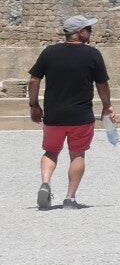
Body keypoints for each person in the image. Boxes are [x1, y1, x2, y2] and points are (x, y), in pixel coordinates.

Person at [27, 15, 114, 209]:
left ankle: (45, 183)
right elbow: (102, 85)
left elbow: (33, 80)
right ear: (80, 32)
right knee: (77, 155)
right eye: (89, 29)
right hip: (81, 116)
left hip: (54, 116)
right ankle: (70, 198)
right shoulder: (92, 54)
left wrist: (34, 105)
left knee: (51, 152)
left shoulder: (49, 52)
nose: (91, 32)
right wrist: (107, 106)